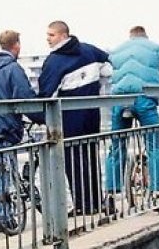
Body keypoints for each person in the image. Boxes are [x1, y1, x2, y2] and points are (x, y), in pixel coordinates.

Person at [37, 20, 110, 215]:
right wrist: (97, 86)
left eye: (51, 35)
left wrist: (36, 116)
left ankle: (82, 204)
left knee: (73, 161)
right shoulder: (90, 51)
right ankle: (96, 201)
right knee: (91, 157)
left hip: (69, 118)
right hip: (92, 114)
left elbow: (45, 95)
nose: (48, 39)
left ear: (62, 35)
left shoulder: (54, 61)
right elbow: (109, 68)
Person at [0, 30, 40, 232]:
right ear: (17, 45)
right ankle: (3, 218)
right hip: (3, 126)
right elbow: (25, 98)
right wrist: (41, 118)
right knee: (4, 172)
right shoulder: (13, 68)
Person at [105, 26, 159, 211]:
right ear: (146, 36)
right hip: (144, 99)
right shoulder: (156, 49)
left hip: (120, 101)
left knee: (116, 148)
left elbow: (110, 76)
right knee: (155, 146)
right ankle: (158, 195)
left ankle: (110, 196)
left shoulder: (116, 51)